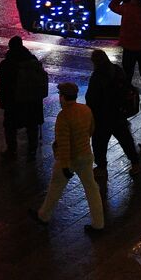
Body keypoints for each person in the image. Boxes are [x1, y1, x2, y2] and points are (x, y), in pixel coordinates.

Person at [30, 82, 104, 234]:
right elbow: (91, 130)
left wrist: (64, 165)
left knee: (56, 186)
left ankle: (44, 215)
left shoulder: (63, 116)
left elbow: (63, 144)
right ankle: (99, 224)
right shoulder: (85, 110)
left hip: (69, 159)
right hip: (86, 155)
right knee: (92, 189)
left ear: (63, 97)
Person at [85, 49, 141, 175]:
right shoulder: (116, 69)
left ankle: (102, 167)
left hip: (102, 116)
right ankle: (135, 163)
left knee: (99, 143)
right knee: (126, 140)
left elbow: (91, 98)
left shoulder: (97, 76)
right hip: (119, 113)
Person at [0, 36, 47, 160]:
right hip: (32, 101)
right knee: (32, 126)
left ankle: (12, 150)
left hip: (14, 101)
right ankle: (32, 151)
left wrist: (3, 102)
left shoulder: (7, 64)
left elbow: (3, 85)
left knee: (10, 127)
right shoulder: (33, 60)